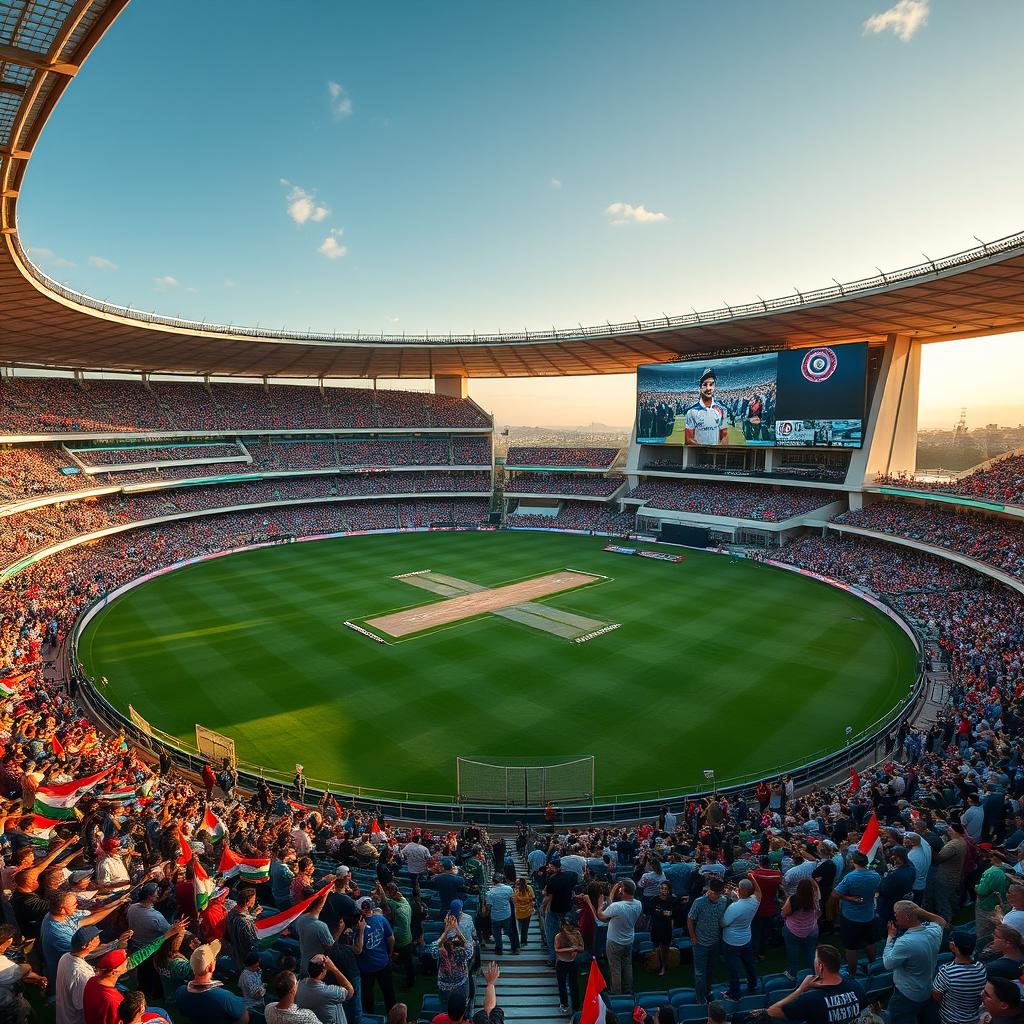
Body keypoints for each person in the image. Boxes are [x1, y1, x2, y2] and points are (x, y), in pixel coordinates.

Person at [766, 944, 867, 1024]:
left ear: (820, 966)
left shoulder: (811, 999)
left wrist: (800, 989)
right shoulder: (856, 986)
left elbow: (772, 1011)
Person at [881, 900, 947, 1024]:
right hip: (926, 989)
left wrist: (890, 936)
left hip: (906, 994)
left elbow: (887, 964)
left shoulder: (905, 942)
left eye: (896, 914)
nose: (894, 916)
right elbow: (941, 921)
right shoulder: (933, 930)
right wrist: (918, 911)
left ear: (906, 917)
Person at [581, 879, 642, 995]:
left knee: (615, 969)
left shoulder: (617, 906)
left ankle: (616, 993)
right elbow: (613, 907)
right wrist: (613, 892)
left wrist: (599, 904)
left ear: (623, 891)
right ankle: (628, 990)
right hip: (629, 940)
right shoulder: (638, 904)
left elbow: (600, 917)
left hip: (614, 941)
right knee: (627, 965)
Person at [175, 944, 249, 1024]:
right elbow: (244, 1019)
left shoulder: (180, 992)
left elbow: (184, 1013)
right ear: (210, 966)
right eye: (214, 959)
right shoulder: (224, 997)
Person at [833, 851, 880, 976]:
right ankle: (874, 968)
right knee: (870, 942)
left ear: (853, 862)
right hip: (869, 915)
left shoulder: (850, 877)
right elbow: (877, 890)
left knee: (851, 947)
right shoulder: (875, 875)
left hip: (851, 917)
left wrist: (849, 898)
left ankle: (852, 973)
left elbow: (835, 894)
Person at [932, 929, 987, 1024]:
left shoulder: (946, 972)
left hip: (950, 1020)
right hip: (973, 1019)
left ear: (953, 947)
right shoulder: (981, 968)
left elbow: (936, 996)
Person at [720, 875, 761, 1001]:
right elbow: (758, 891)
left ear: (743, 891)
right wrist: (752, 878)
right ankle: (753, 984)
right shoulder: (755, 901)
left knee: (734, 970)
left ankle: (734, 994)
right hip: (746, 939)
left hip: (732, 942)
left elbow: (724, 923)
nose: (737, 889)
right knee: (749, 964)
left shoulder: (735, 907)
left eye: (739, 888)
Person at [688, 877, 727, 1004]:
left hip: (714, 942)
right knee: (700, 974)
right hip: (700, 943)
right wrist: (693, 937)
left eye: (716, 893)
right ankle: (700, 997)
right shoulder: (699, 902)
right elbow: (690, 919)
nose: (713, 895)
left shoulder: (723, 901)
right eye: (711, 892)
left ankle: (708, 991)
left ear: (721, 893)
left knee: (710, 969)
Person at [354, 898, 394, 1014]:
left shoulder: (357, 925)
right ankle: (394, 1018)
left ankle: (370, 1018)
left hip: (366, 968)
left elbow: (357, 949)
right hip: (382, 963)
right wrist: (389, 954)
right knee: (388, 993)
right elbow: (391, 938)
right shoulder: (381, 919)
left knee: (367, 996)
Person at [0, 923, 46, 1024]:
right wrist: (38, 978)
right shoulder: (5, 966)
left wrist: (38, 979)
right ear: (6, 942)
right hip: (8, 1005)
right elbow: (24, 969)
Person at [296, 954, 354, 1024]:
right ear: (323, 970)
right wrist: (334, 969)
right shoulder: (329, 992)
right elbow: (350, 991)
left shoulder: (298, 985)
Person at [782, 877, 820, 980]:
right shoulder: (815, 897)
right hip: (811, 930)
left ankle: (792, 973)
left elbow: (784, 913)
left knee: (793, 951)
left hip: (793, 930)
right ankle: (815, 973)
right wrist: (812, 881)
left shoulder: (793, 899)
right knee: (811, 952)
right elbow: (817, 888)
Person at [684, 368, 728, 446]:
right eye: (705, 384)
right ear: (700, 388)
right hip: (698, 455)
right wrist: (703, 450)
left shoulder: (722, 409)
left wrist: (718, 450)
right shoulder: (692, 411)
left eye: (711, 384)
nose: (708, 388)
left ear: (715, 386)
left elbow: (724, 435)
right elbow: (688, 439)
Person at [553, 917, 584, 1016]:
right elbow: (557, 949)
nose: (568, 927)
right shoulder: (559, 936)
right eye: (566, 925)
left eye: (570, 925)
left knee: (574, 984)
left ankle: (576, 1006)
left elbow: (582, 947)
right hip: (562, 962)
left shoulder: (577, 934)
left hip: (573, 961)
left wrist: (576, 948)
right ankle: (564, 1003)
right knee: (562, 985)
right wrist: (568, 949)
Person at [650, 881, 680, 977]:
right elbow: (652, 912)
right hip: (655, 926)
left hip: (666, 927)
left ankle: (664, 966)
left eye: (666, 889)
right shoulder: (654, 899)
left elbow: (674, 914)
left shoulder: (673, 900)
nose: (664, 891)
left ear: (669, 890)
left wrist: (662, 912)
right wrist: (665, 913)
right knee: (657, 946)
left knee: (665, 947)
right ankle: (657, 964)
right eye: (662, 888)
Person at [485, 875, 518, 956]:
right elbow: (513, 900)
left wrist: (486, 911)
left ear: (493, 882)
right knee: (510, 931)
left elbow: (489, 906)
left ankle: (499, 949)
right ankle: (514, 948)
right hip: (506, 914)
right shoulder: (509, 889)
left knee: (497, 933)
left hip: (495, 916)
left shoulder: (490, 892)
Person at [512, 878, 534, 948]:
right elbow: (532, 898)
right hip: (527, 910)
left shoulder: (516, 889)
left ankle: (519, 941)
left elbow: (514, 900)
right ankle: (524, 941)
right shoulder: (529, 888)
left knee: (519, 927)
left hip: (519, 911)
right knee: (525, 927)